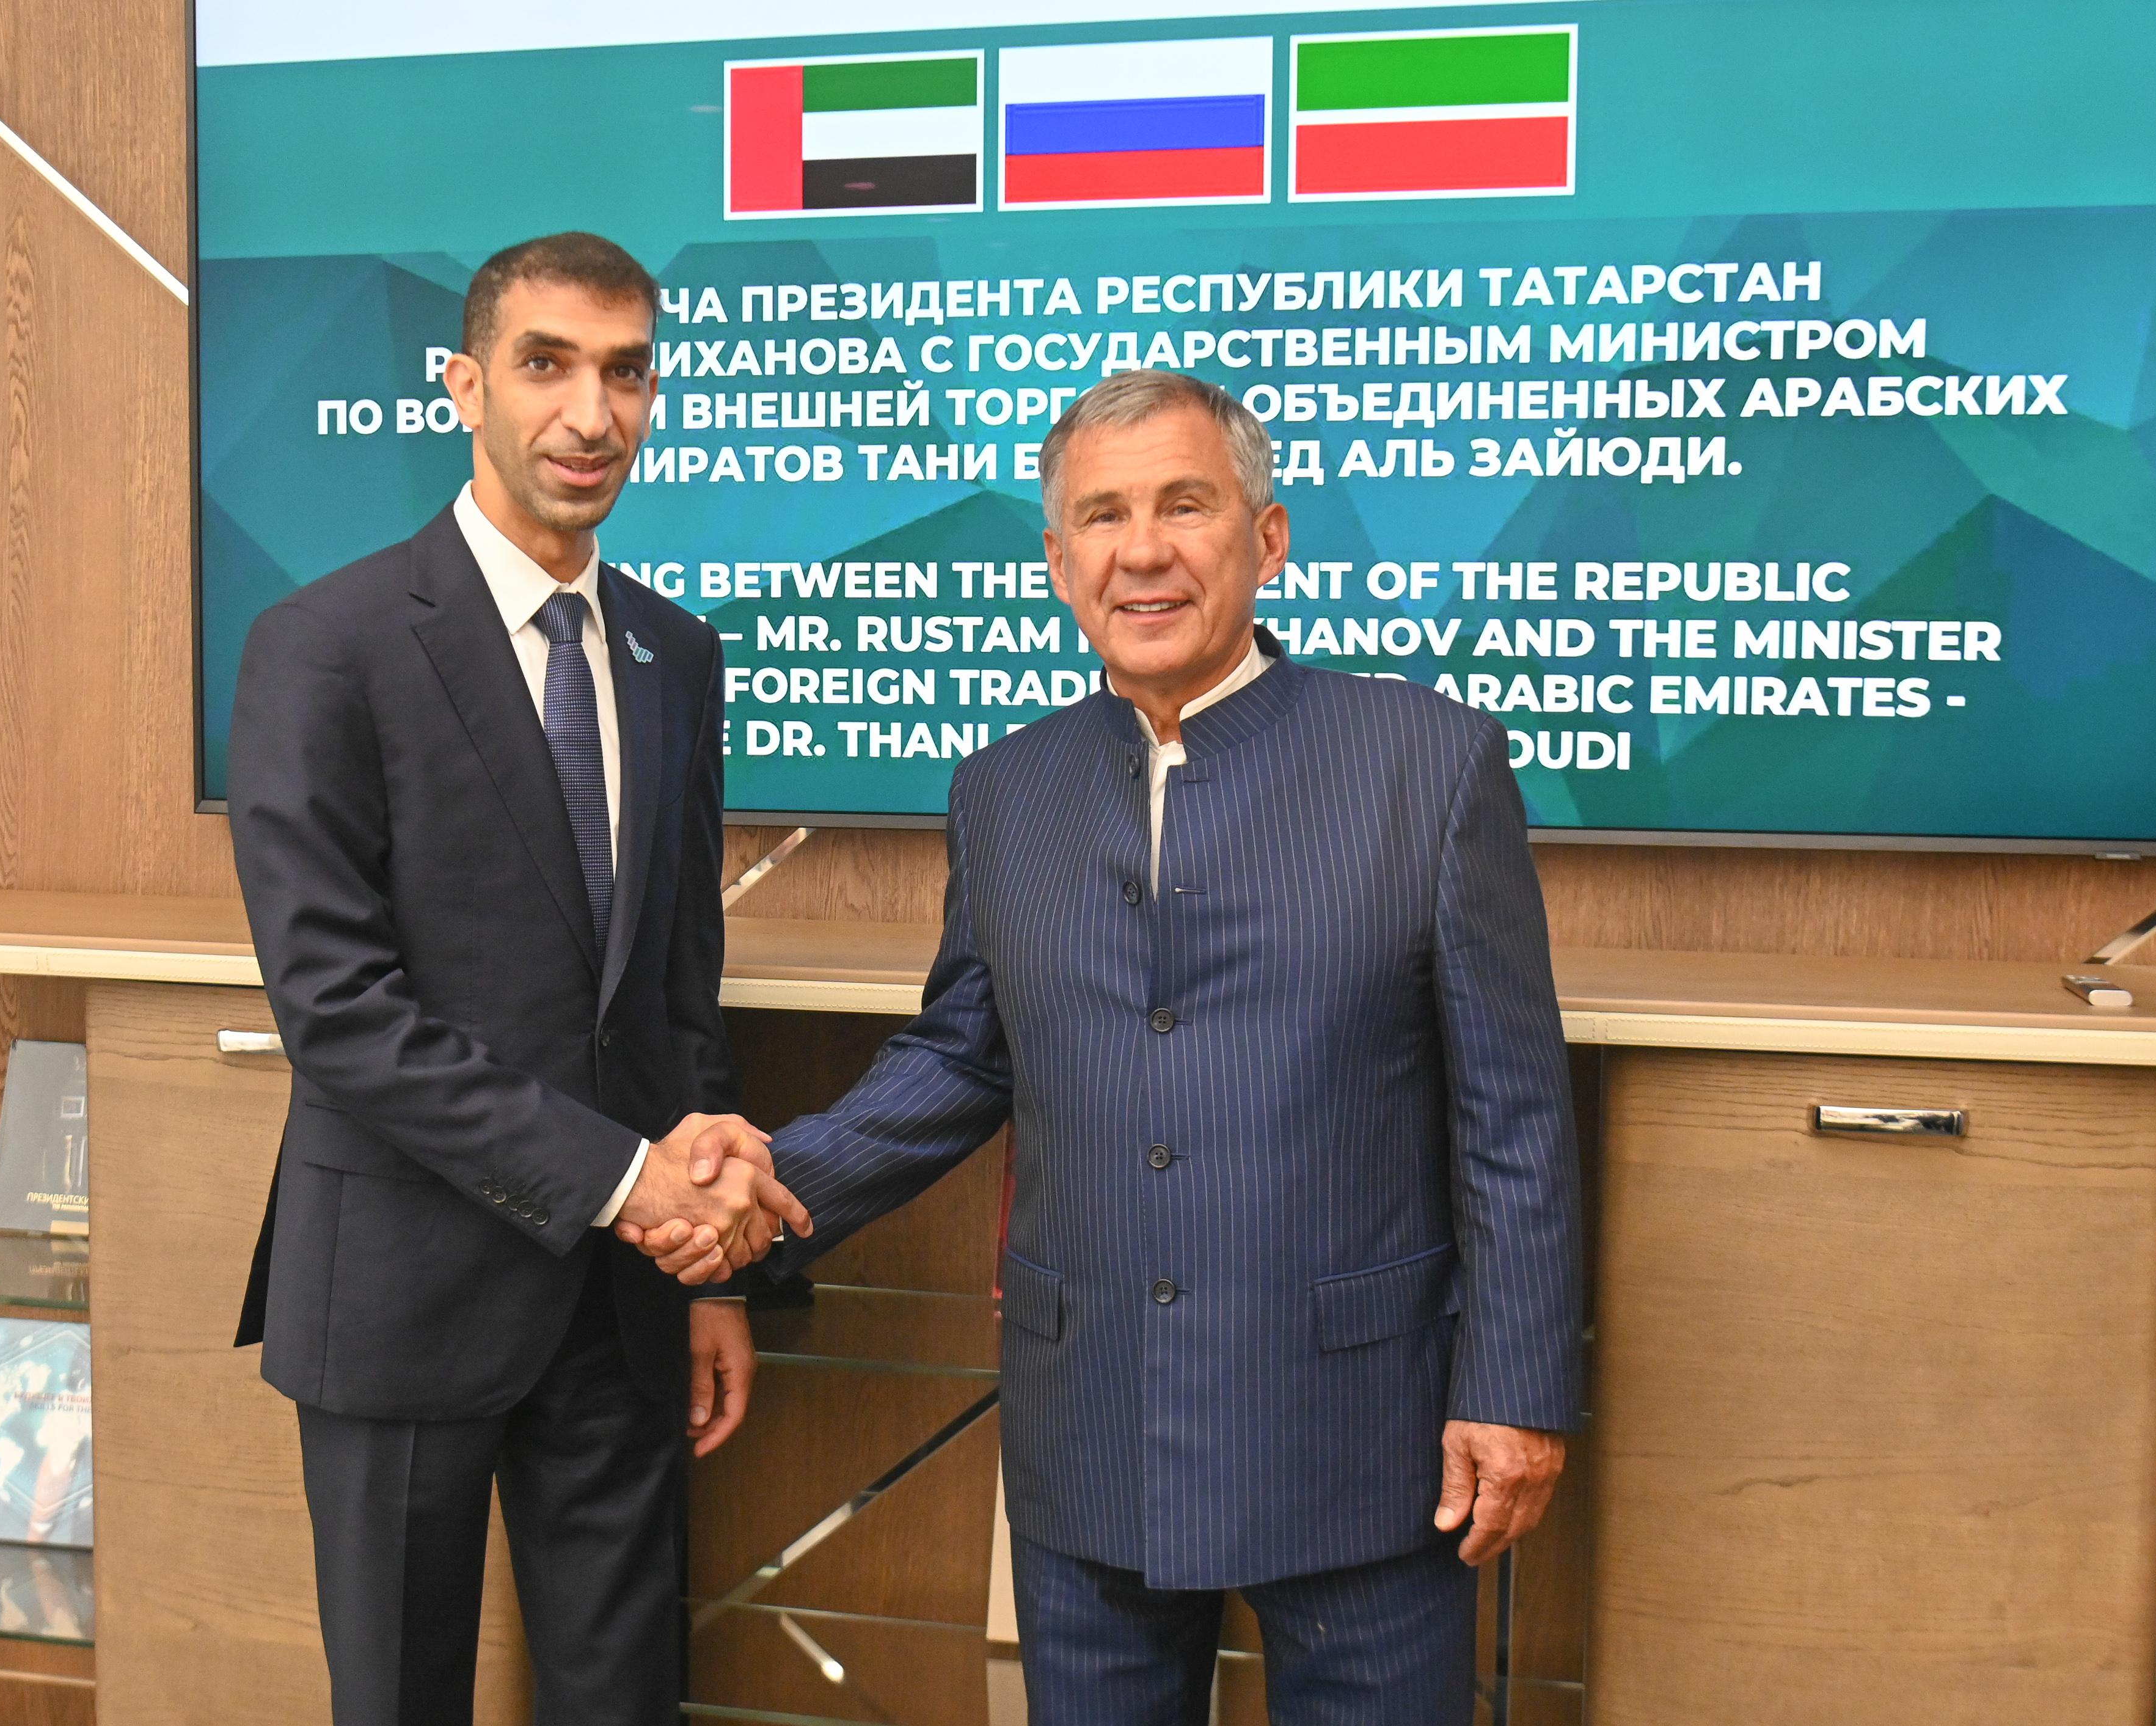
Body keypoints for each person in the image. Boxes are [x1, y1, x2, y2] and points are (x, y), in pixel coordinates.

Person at [634, 370, 1582, 1724]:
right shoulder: (1003, 789)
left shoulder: (1427, 765)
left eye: (1184, 505)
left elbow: (1515, 1115)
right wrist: (764, 1188)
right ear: (1058, 561)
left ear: (1266, 537)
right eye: (1102, 515)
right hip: (1088, 1429)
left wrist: (1516, 1391)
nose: (1142, 550)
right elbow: (961, 1057)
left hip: (1364, 1435)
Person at [227, 231, 805, 1726]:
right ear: (464, 386)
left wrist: (713, 1274)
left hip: (627, 1308)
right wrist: (627, 1183)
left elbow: (675, 990)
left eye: (626, 373)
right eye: (547, 366)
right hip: (405, 1292)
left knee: (626, 1700)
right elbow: (338, 1013)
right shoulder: (324, 645)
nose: (590, 415)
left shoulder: (676, 655)